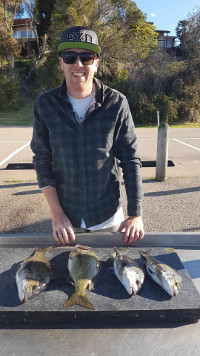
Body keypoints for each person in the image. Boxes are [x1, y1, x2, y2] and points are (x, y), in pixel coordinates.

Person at [31, 26, 144, 246]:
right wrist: (56, 214)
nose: (78, 65)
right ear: (61, 62)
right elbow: (42, 162)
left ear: (96, 62)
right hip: (66, 224)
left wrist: (135, 215)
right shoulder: (45, 105)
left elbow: (131, 161)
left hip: (109, 219)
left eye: (87, 57)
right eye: (70, 57)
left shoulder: (117, 103)